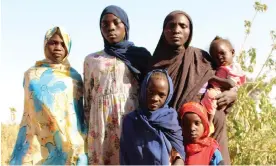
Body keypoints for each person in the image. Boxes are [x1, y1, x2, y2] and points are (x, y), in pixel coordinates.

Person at [149, 10, 237, 164]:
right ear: (164, 30)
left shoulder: (201, 58)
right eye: (171, 26)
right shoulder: (153, 65)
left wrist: (233, 93)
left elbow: (224, 79)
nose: (177, 30)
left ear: (190, 32)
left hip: (211, 137)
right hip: (174, 140)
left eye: (183, 26)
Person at [9, 26, 88, 165]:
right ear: (45, 45)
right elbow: (29, 112)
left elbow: (80, 114)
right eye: (53, 42)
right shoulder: (31, 75)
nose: (58, 47)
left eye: (63, 44)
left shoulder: (74, 78)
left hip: (72, 145)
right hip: (41, 144)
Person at [83, 5, 151, 165]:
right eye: (105, 24)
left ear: (125, 27)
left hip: (130, 118)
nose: (110, 28)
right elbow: (88, 97)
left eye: (116, 23)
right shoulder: (91, 59)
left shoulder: (139, 55)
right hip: (100, 122)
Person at [120, 69, 185, 165]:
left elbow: (179, 155)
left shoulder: (170, 120)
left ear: (168, 96)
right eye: (150, 92)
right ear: (143, 90)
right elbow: (125, 156)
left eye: (161, 95)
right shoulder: (131, 121)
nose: (155, 98)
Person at [201, 36, 246, 134]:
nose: (220, 57)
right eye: (216, 57)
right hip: (218, 93)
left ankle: (209, 123)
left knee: (211, 95)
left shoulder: (233, 69)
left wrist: (212, 78)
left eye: (222, 53)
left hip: (220, 94)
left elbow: (231, 83)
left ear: (232, 52)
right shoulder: (218, 68)